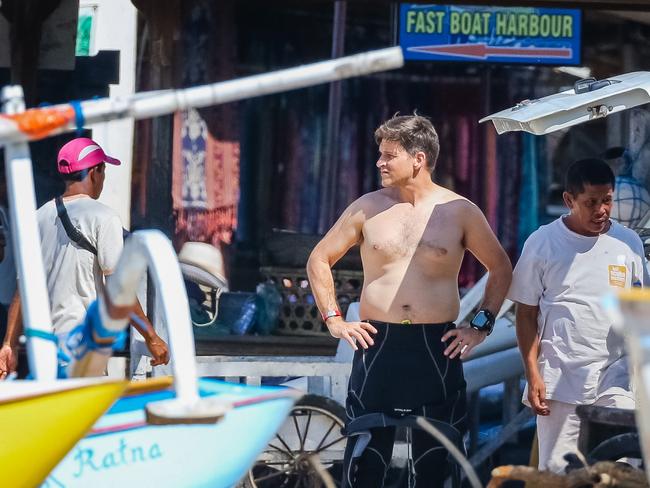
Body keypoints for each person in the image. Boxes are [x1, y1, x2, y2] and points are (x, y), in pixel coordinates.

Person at [307, 114, 512, 487]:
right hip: (377, 343)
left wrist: (481, 325)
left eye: (389, 155)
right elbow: (319, 259)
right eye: (380, 155)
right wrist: (334, 319)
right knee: (366, 460)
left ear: (418, 158)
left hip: (436, 348)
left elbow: (500, 267)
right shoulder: (367, 207)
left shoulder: (459, 211)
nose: (379, 163)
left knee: (436, 461)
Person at [509, 158, 647, 474]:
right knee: (558, 474)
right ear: (569, 200)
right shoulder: (542, 242)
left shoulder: (628, 243)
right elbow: (526, 314)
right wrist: (532, 375)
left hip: (616, 379)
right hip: (558, 380)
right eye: (591, 203)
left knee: (622, 470)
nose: (601, 210)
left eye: (607, 200)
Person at [0, 137, 169, 379]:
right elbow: (119, 291)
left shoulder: (38, 217)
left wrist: (9, 344)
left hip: (41, 350)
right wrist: (151, 336)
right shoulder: (104, 217)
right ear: (94, 172)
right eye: (103, 171)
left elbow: (22, 289)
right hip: (80, 348)